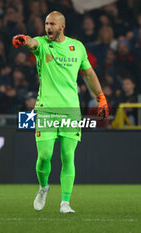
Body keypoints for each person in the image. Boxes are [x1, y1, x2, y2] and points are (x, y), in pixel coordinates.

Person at [12, 11, 108, 213]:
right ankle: (43, 187)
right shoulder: (43, 44)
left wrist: (101, 97)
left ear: (62, 26)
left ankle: (65, 203)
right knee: (45, 156)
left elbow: (89, 73)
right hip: (46, 109)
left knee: (68, 156)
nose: (48, 27)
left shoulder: (78, 47)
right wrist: (23, 39)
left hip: (71, 110)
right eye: (47, 23)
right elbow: (32, 43)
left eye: (52, 24)